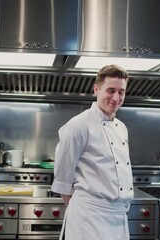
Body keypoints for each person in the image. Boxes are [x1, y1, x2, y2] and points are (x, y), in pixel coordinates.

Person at [51, 64, 134, 240]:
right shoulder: (78, 125)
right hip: (88, 219)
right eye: (110, 90)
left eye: (121, 92)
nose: (116, 97)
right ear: (96, 89)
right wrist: (86, 208)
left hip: (118, 218)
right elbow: (63, 180)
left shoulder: (122, 128)